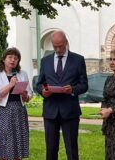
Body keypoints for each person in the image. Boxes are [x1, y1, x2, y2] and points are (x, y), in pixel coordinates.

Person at [35, 30, 88, 160]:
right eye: (55, 46)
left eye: (60, 46)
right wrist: (43, 91)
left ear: (66, 43)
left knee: (71, 149)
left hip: (70, 111)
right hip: (50, 111)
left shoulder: (78, 60)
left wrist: (73, 89)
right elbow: (39, 83)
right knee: (51, 149)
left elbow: (84, 85)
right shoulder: (45, 61)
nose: (58, 49)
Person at [0, 47, 33, 160]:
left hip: (19, 110)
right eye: (10, 57)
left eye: (16, 58)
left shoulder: (22, 74)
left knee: (18, 142)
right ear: (4, 59)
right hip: (4, 111)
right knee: (4, 142)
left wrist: (25, 95)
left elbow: (29, 94)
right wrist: (10, 85)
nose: (13, 60)